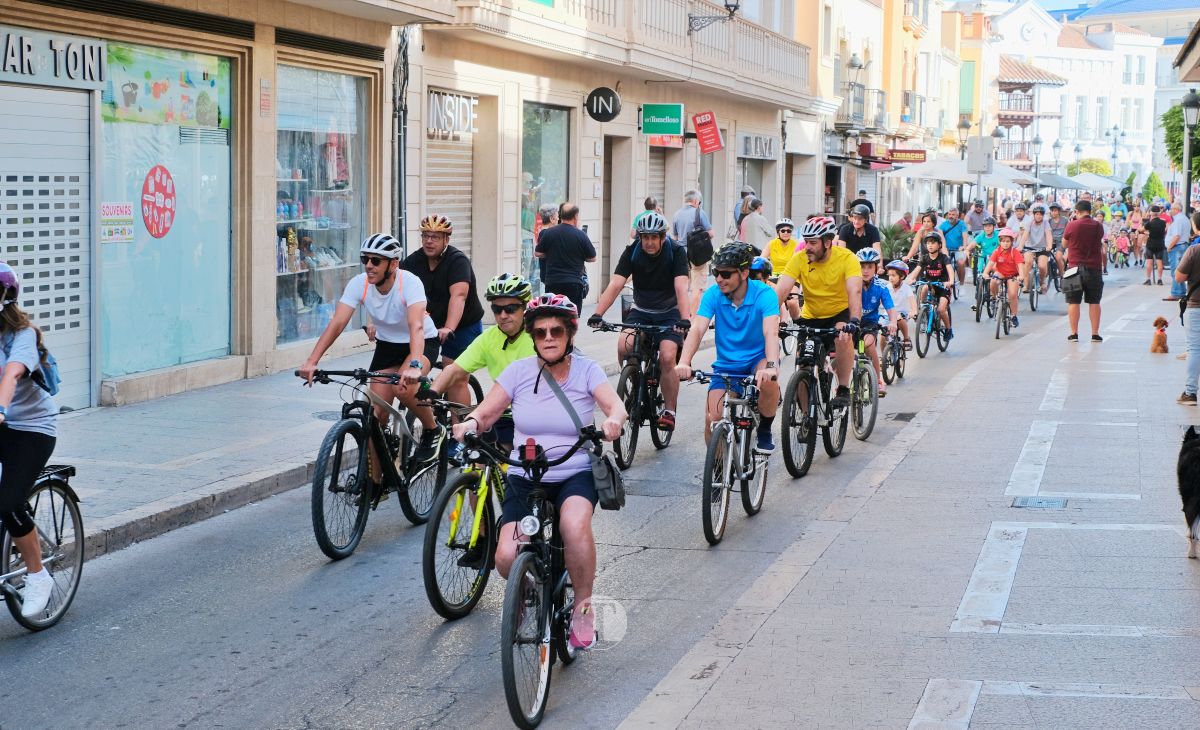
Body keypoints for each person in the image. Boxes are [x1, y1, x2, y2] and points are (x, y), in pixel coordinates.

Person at [451, 294, 626, 650]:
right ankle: (527, 586)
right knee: (504, 556)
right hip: (524, 473)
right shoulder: (519, 372)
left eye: (556, 331)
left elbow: (614, 405)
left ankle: (582, 608)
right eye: (541, 331)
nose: (548, 337)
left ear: (570, 334)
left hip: (573, 470)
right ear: (532, 335)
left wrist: (612, 421)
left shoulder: (586, 369)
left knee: (573, 526)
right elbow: (486, 412)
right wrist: (469, 423)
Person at [300, 234, 442, 464]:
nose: (368, 265)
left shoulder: (410, 282)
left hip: (421, 343)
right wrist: (312, 361)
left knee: (403, 389)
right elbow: (337, 323)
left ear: (393, 264)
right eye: (365, 259)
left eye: (376, 261)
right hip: (388, 346)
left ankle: (432, 429)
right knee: (376, 417)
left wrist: (415, 366)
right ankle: (375, 488)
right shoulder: (360, 284)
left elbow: (416, 327)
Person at [675, 242, 781, 452]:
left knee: (770, 381)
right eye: (716, 272)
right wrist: (684, 362)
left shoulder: (763, 294)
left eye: (725, 274)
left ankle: (765, 428)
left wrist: (770, 365)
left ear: (744, 272)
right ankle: (718, 472)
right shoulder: (714, 294)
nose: (719, 279)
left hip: (757, 359)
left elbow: (771, 332)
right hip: (726, 365)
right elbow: (697, 328)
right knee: (712, 420)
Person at [589, 211, 690, 430]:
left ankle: (669, 411)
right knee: (624, 345)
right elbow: (616, 284)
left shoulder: (677, 252)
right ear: (640, 237)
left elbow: (681, 287)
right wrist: (598, 314)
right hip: (641, 310)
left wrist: (684, 319)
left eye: (654, 237)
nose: (650, 242)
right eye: (645, 237)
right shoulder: (631, 253)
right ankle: (634, 383)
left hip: (669, 312)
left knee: (667, 356)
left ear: (663, 237)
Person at [0, 262, 58, 619]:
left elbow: (12, 373)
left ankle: (38, 576)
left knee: (8, 501)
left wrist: (0, 407)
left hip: (32, 428)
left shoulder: (21, 335)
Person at [774, 216, 863, 410]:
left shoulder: (847, 258)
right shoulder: (799, 259)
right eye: (806, 241)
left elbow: (855, 291)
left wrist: (854, 320)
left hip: (840, 313)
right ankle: (806, 418)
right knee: (804, 365)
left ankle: (843, 388)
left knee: (843, 336)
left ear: (828, 242)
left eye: (813, 243)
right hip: (811, 315)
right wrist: (770, 320)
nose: (807, 247)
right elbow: (780, 292)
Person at [401, 215, 484, 406]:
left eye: (436, 237)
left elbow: (459, 296)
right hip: (430, 325)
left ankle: (459, 433)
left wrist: (449, 327)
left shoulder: (457, 261)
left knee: (455, 375)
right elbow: (397, 292)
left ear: (446, 239)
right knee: (411, 369)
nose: (429, 241)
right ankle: (429, 410)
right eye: (426, 236)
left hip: (463, 324)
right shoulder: (413, 262)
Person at [536, 202, 596, 312]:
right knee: (571, 316)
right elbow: (592, 258)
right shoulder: (580, 235)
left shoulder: (549, 233)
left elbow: (538, 253)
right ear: (575, 216)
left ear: (561, 216)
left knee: (553, 314)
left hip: (552, 282)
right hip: (573, 283)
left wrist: (551, 253)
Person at [1063, 200, 1106, 342]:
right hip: (1094, 268)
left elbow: (1064, 243)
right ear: (1090, 212)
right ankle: (1095, 333)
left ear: (1077, 211)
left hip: (1074, 269)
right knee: (1094, 301)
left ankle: (1074, 333)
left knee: (1073, 302)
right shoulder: (1098, 226)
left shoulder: (1072, 225)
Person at [856, 249, 897, 396]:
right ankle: (842, 384)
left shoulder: (881, 286)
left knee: (867, 344)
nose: (865, 270)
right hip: (851, 323)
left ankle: (878, 380)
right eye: (862, 266)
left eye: (869, 267)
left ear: (876, 268)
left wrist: (893, 321)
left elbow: (890, 308)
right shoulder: (851, 283)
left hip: (869, 325)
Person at [672, 190, 715, 317]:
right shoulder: (700, 213)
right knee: (697, 288)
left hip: (681, 255)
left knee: (683, 288)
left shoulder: (677, 214)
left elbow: (675, 237)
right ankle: (691, 319)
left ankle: (681, 315)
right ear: (696, 201)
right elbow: (711, 233)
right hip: (698, 257)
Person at [906, 232, 953, 341]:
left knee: (941, 309)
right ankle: (924, 309)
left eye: (933, 243)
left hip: (943, 287)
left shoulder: (944, 258)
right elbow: (917, 270)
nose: (930, 245)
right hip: (930, 285)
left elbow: (950, 270)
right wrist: (911, 279)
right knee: (924, 287)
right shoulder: (924, 258)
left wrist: (950, 281)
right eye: (927, 243)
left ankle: (948, 329)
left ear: (939, 245)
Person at [1176, 223, 1200, 404]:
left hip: (1196, 304)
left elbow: (1179, 277)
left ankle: (1190, 393)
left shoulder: (1194, 251)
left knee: (1195, 349)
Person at [982, 228, 1024, 328]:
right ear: (1000, 242)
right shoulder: (996, 251)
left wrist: (1021, 276)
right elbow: (990, 264)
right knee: (993, 281)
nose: (1005, 244)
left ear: (1011, 242)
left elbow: (1020, 265)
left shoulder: (1015, 252)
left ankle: (1013, 316)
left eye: (1008, 241)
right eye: (1003, 241)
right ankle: (993, 298)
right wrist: (985, 273)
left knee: (1013, 295)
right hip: (1001, 273)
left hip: (1013, 275)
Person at [766, 218, 802, 321]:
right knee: (773, 301)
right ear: (778, 232)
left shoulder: (796, 245)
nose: (786, 233)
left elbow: (799, 261)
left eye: (789, 231)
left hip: (791, 277)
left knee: (792, 302)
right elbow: (762, 259)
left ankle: (799, 325)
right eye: (783, 230)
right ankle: (774, 323)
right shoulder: (771, 244)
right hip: (773, 277)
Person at [1018, 205, 1054, 295]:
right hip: (1029, 247)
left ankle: (1042, 282)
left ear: (1043, 215)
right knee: (1028, 262)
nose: (1039, 216)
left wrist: (1049, 245)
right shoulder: (1029, 222)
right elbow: (1025, 235)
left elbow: (1048, 235)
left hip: (1042, 248)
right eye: (1037, 214)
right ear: (1034, 215)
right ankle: (1026, 285)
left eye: (1041, 214)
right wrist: (1020, 246)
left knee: (1042, 266)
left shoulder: (1046, 223)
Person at [884, 259, 916, 350]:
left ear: (901, 276)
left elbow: (912, 301)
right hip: (888, 314)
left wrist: (913, 311)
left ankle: (906, 338)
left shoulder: (906, 288)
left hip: (902, 314)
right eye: (889, 275)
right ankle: (884, 357)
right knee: (883, 336)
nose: (890, 278)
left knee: (899, 319)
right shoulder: (887, 287)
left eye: (893, 275)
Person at [1167, 202, 1192, 301]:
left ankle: (1176, 293)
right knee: (1180, 269)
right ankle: (1180, 292)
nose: (1170, 210)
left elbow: (1177, 236)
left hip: (1177, 247)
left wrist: (1169, 246)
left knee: (1176, 270)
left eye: (1172, 209)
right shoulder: (1183, 219)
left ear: (1176, 210)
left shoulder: (1178, 220)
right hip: (1181, 246)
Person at [939, 206, 970, 286]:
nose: (950, 216)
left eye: (953, 214)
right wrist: (943, 247)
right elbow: (941, 236)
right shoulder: (943, 225)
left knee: (961, 263)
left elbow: (965, 236)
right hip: (946, 249)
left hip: (958, 249)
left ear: (957, 215)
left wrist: (964, 246)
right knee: (941, 264)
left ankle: (961, 284)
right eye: (949, 214)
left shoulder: (962, 224)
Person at [964, 216, 999, 281]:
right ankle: (979, 274)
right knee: (980, 260)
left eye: (989, 226)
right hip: (983, 255)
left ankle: (995, 281)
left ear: (994, 227)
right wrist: (967, 250)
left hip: (995, 256)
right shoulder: (981, 235)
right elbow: (973, 244)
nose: (987, 228)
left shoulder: (998, 235)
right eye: (985, 226)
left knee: (994, 269)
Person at [1143, 204, 1168, 286]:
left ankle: (1148, 279)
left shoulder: (1149, 223)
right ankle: (1160, 279)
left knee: (1149, 262)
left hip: (1150, 244)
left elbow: (1143, 229)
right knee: (1159, 262)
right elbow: (1165, 230)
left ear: (1151, 213)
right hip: (1160, 243)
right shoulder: (1163, 222)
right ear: (1159, 212)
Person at [1047, 202, 1069, 279]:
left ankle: (1062, 275)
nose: (1054, 212)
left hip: (1061, 241)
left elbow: (1067, 232)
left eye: (1055, 210)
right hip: (1051, 241)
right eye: (1052, 210)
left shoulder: (1065, 220)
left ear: (1059, 211)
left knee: (1058, 257)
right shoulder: (1049, 221)